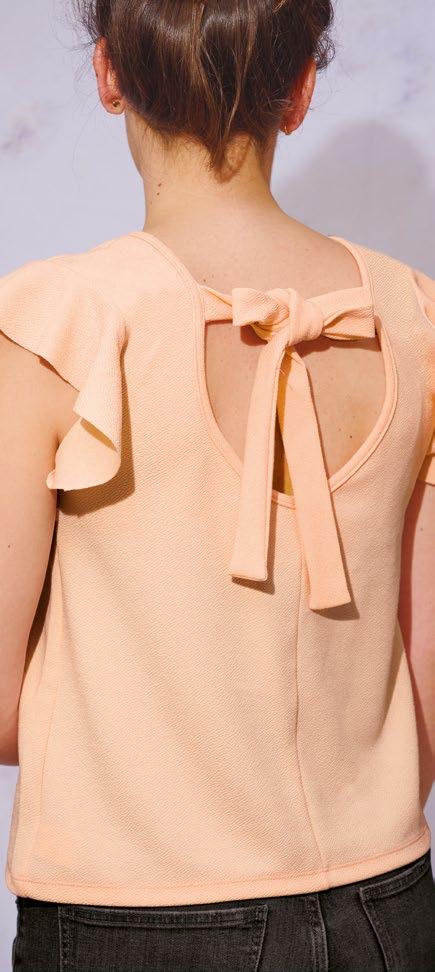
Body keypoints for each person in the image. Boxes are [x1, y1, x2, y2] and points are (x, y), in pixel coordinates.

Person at [1, 1, 434, 969]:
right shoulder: (413, 319)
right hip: (386, 900)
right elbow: (426, 682)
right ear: (301, 91)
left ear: (109, 75)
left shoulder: (59, 323)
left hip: (136, 911)